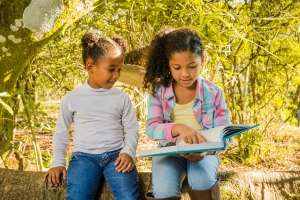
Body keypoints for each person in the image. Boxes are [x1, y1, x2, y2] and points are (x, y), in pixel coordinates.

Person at [46, 30, 141, 200]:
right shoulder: (72, 98)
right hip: (84, 159)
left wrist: (128, 152)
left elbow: (132, 128)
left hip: (117, 157)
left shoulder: (121, 98)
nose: (116, 76)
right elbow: (61, 132)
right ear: (90, 66)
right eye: (111, 69)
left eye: (119, 70)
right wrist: (58, 163)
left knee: (129, 197)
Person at [143, 28, 231, 200]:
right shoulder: (158, 91)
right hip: (169, 151)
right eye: (177, 67)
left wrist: (204, 152)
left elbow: (225, 134)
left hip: (205, 153)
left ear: (202, 60)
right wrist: (178, 128)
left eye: (192, 66)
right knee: (163, 190)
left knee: (201, 179)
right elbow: (152, 129)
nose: (184, 74)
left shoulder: (214, 93)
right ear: (168, 64)